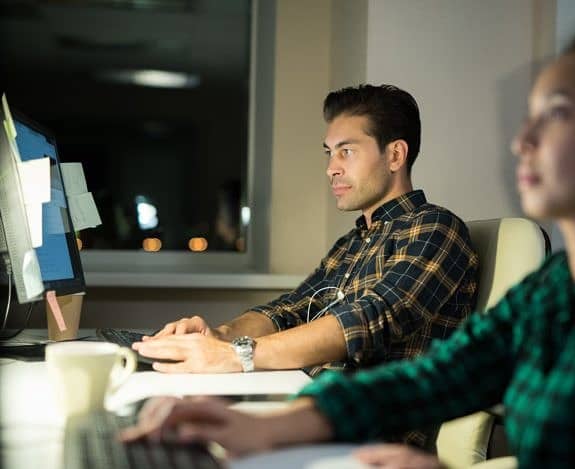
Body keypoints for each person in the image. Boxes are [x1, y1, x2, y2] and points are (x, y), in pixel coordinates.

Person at [122, 24, 575, 467]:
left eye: (556, 113)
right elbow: (437, 377)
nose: (521, 140)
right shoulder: (558, 290)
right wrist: (262, 425)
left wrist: (242, 364)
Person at [132, 84, 478, 447]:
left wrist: (234, 355)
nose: (331, 168)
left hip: (370, 439)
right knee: (171, 427)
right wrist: (219, 335)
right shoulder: (353, 242)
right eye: (330, 153)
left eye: (347, 152)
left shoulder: (435, 228)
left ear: (395, 155)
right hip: (311, 410)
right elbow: (289, 310)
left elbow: (369, 321)